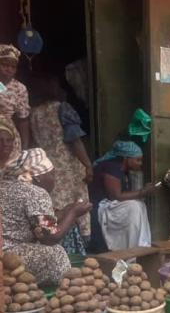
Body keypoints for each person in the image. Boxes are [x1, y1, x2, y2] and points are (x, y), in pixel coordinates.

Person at [0, 142, 92, 285]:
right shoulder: (35, 193)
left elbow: (38, 221)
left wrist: (67, 210)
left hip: (4, 250)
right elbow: (50, 237)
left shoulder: (5, 185)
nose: (54, 179)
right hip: (10, 255)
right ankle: (66, 287)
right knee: (56, 253)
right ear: (37, 177)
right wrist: (73, 213)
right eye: (52, 174)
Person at [29, 73, 93, 255]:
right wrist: (88, 164)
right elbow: (75, 140)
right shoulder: (62, 108)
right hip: (68, 168)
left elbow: (32, 143)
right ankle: (77, 251)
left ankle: (56, 247)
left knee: (54, 208)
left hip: (45, 169)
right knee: (76, 207)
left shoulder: (33, 113)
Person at [89, 140, 156, 252]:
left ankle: (138, 246)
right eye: (137, 160)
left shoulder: (123, 170)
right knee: (134, 206)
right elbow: (116, 195)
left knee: (138, 204)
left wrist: (143, 191)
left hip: (110, 205)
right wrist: (143, 192)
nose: (140, 163)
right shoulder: (112, 167)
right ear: (126, 158)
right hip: (100, 207)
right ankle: (130, 249)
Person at [0, 44, 31, 148]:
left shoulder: (19, 88)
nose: (9, 69)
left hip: (7, 137)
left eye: (13, 67)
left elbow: (23, 119)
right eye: (5, 65)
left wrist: (25, 146)